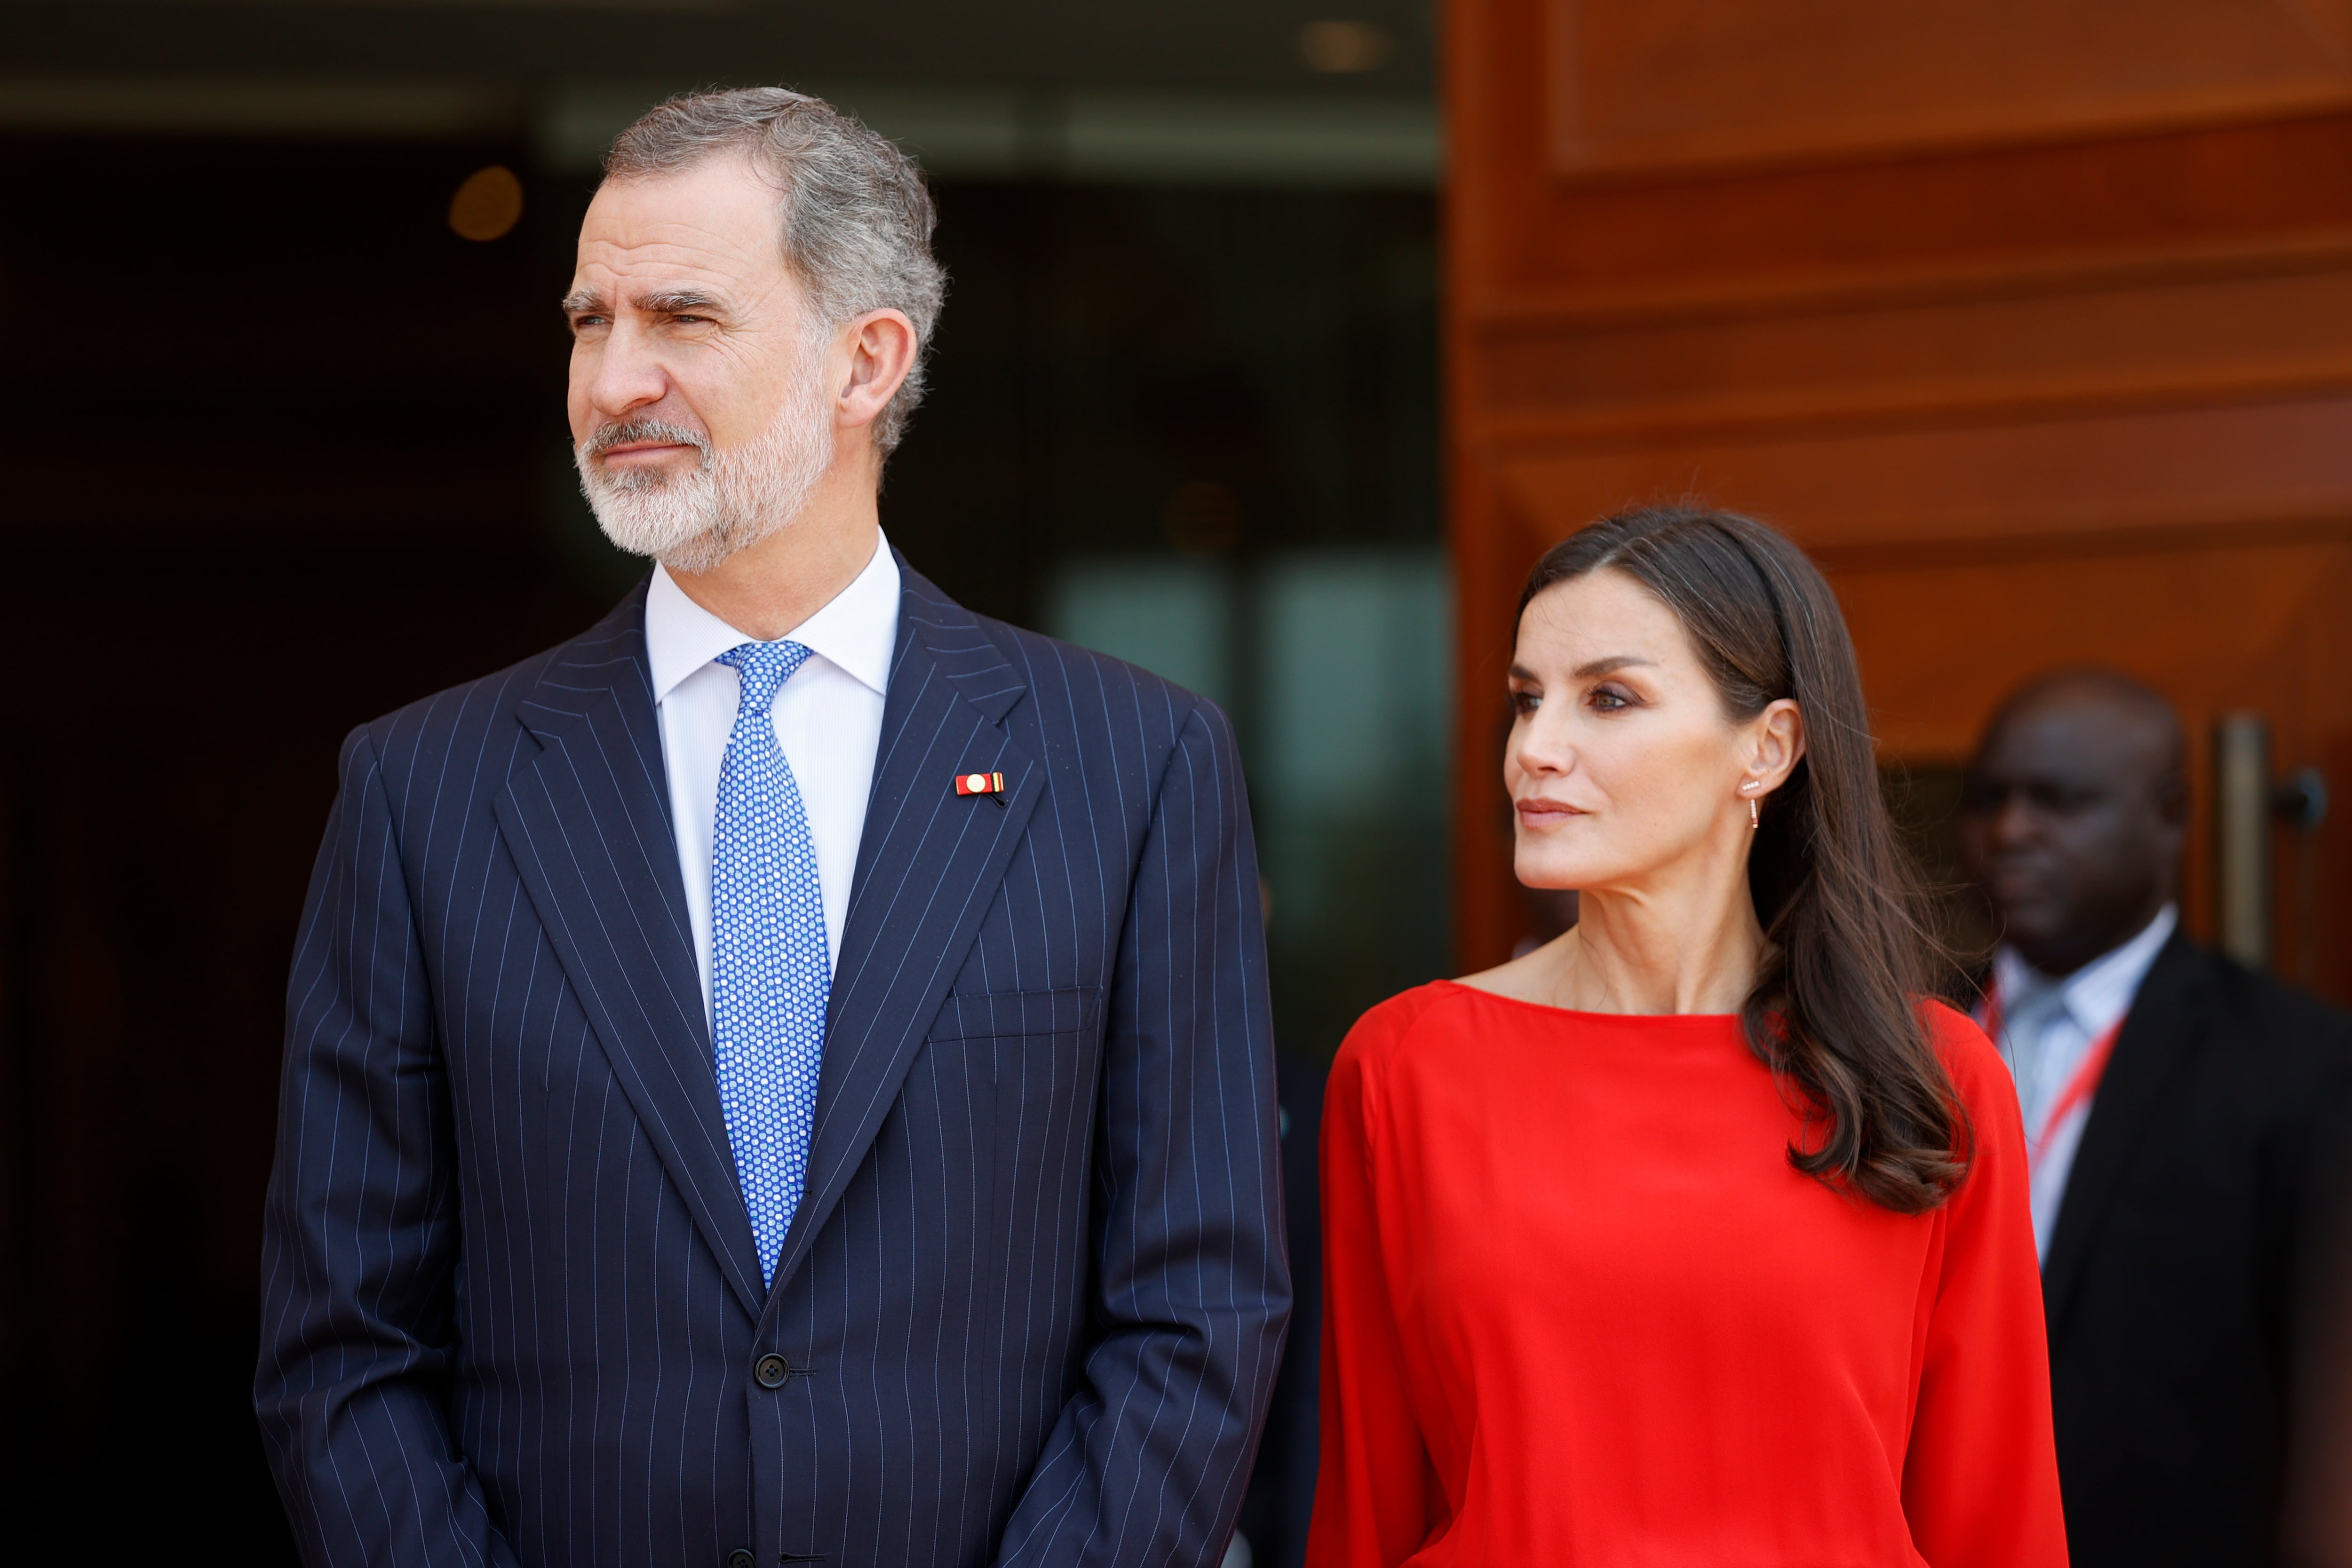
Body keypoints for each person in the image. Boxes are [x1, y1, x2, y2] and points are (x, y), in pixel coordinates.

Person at [255, 89, 1288, 1568]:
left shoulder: (1134, 763)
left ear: (868, 360)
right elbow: (341, 1344)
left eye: (683, 316)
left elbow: (1200, 1303)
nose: (617, 378)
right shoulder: (426, 789)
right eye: (587, 319)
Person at [1308, 505, 2067, 1568]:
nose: (1536, 747)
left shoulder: (1932, 1075)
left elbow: (1997, 1518)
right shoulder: (1406, 1066)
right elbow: (1366, 1508)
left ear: (1767, 747)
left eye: (1607, 697)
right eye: (1527, 699)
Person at [1957, 669, 2352, 1568]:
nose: (2011, 831)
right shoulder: (1892, 1036)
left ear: (2171, 814)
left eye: (2059, 801)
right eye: (1991, 798)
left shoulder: (2300, 1065)